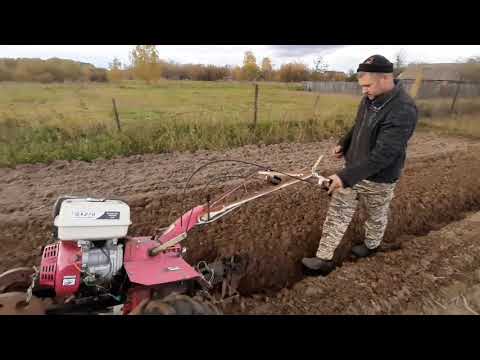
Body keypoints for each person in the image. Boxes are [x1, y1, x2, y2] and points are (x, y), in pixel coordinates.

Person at [302, 55, 418, 275]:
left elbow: (383, 155)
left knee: (375, 215)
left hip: (379, 179)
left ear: (385, 78)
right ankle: (323, 259)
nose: (364, 90)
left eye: (367, 85)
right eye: (362, 86)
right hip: (354, 169)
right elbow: (359, 125)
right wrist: (344, 144)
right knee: (337, 213)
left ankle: (371, 246)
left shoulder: (403, 109)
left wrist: (344, 177)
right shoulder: (370, 98)